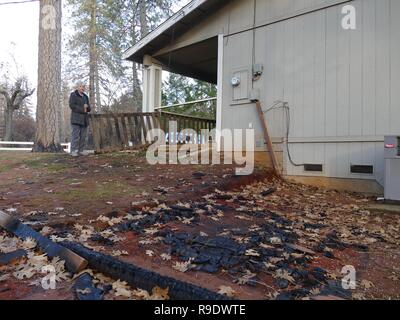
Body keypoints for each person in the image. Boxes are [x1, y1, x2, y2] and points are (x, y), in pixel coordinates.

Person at [69, 83, 91, 157]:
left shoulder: (85, 96)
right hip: (76, 118)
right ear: (78, 87)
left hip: (84, 119)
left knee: (83, 136)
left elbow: (89, 109)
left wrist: (87, 107)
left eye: (84, 87)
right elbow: (72, 105)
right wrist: (82, 109)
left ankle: (81, 150)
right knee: (75, 135)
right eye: (81, 86)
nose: (82, 88)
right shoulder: (73, 95)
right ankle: (73, 151)